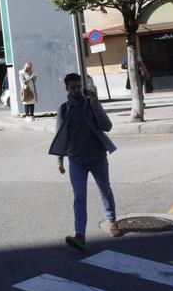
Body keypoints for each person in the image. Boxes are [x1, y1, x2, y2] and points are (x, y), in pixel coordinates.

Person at [48, 72, 121, 252]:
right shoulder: (64, 109)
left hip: (97, 157)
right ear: (67, 89)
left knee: (105, 190)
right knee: (79, 197)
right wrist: (60, 159)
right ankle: (80, 234)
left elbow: (107, 126)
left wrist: (96, 104)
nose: (76, 90)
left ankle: (111, 221)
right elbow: (60, 135)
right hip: (76, 160)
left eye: (78, 86)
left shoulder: (91, 104)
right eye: (72, 87)